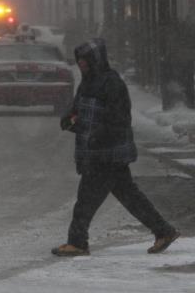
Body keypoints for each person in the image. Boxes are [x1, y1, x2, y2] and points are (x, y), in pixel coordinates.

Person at [53, 38, 179, 257]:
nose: (82, 66)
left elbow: (118, 118)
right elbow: (78, 106)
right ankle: (164, 231)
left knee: (85, 201)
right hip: (99, 152)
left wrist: (96, 134)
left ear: (96, 60)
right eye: (80, 62)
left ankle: (77, 242)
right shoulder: (88, 82)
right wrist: (68, 118)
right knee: (130, 197)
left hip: (107, 154)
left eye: (85, 62)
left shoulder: (111, 83)